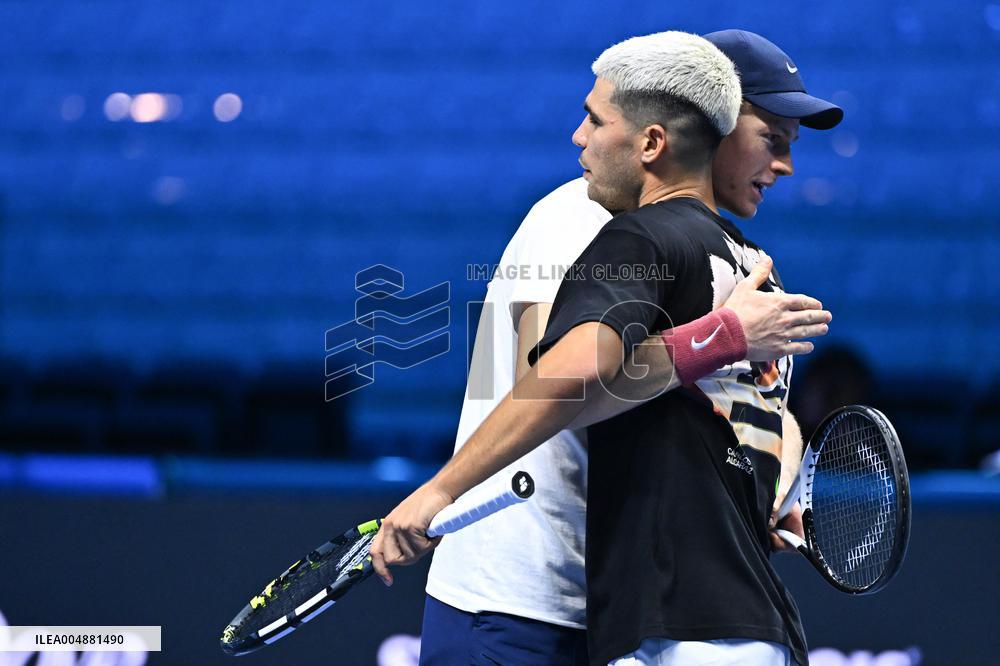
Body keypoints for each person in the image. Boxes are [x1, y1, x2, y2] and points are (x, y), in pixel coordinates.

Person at [374, 30, 841, 666]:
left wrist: (766, 486)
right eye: (771, 136)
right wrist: (720, 337)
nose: (784, 164)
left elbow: (750, 400)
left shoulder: (732, 254)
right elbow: (550, 379)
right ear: (706, 122)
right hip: (521, 599)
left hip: (625, 609)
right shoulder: (585, 216)